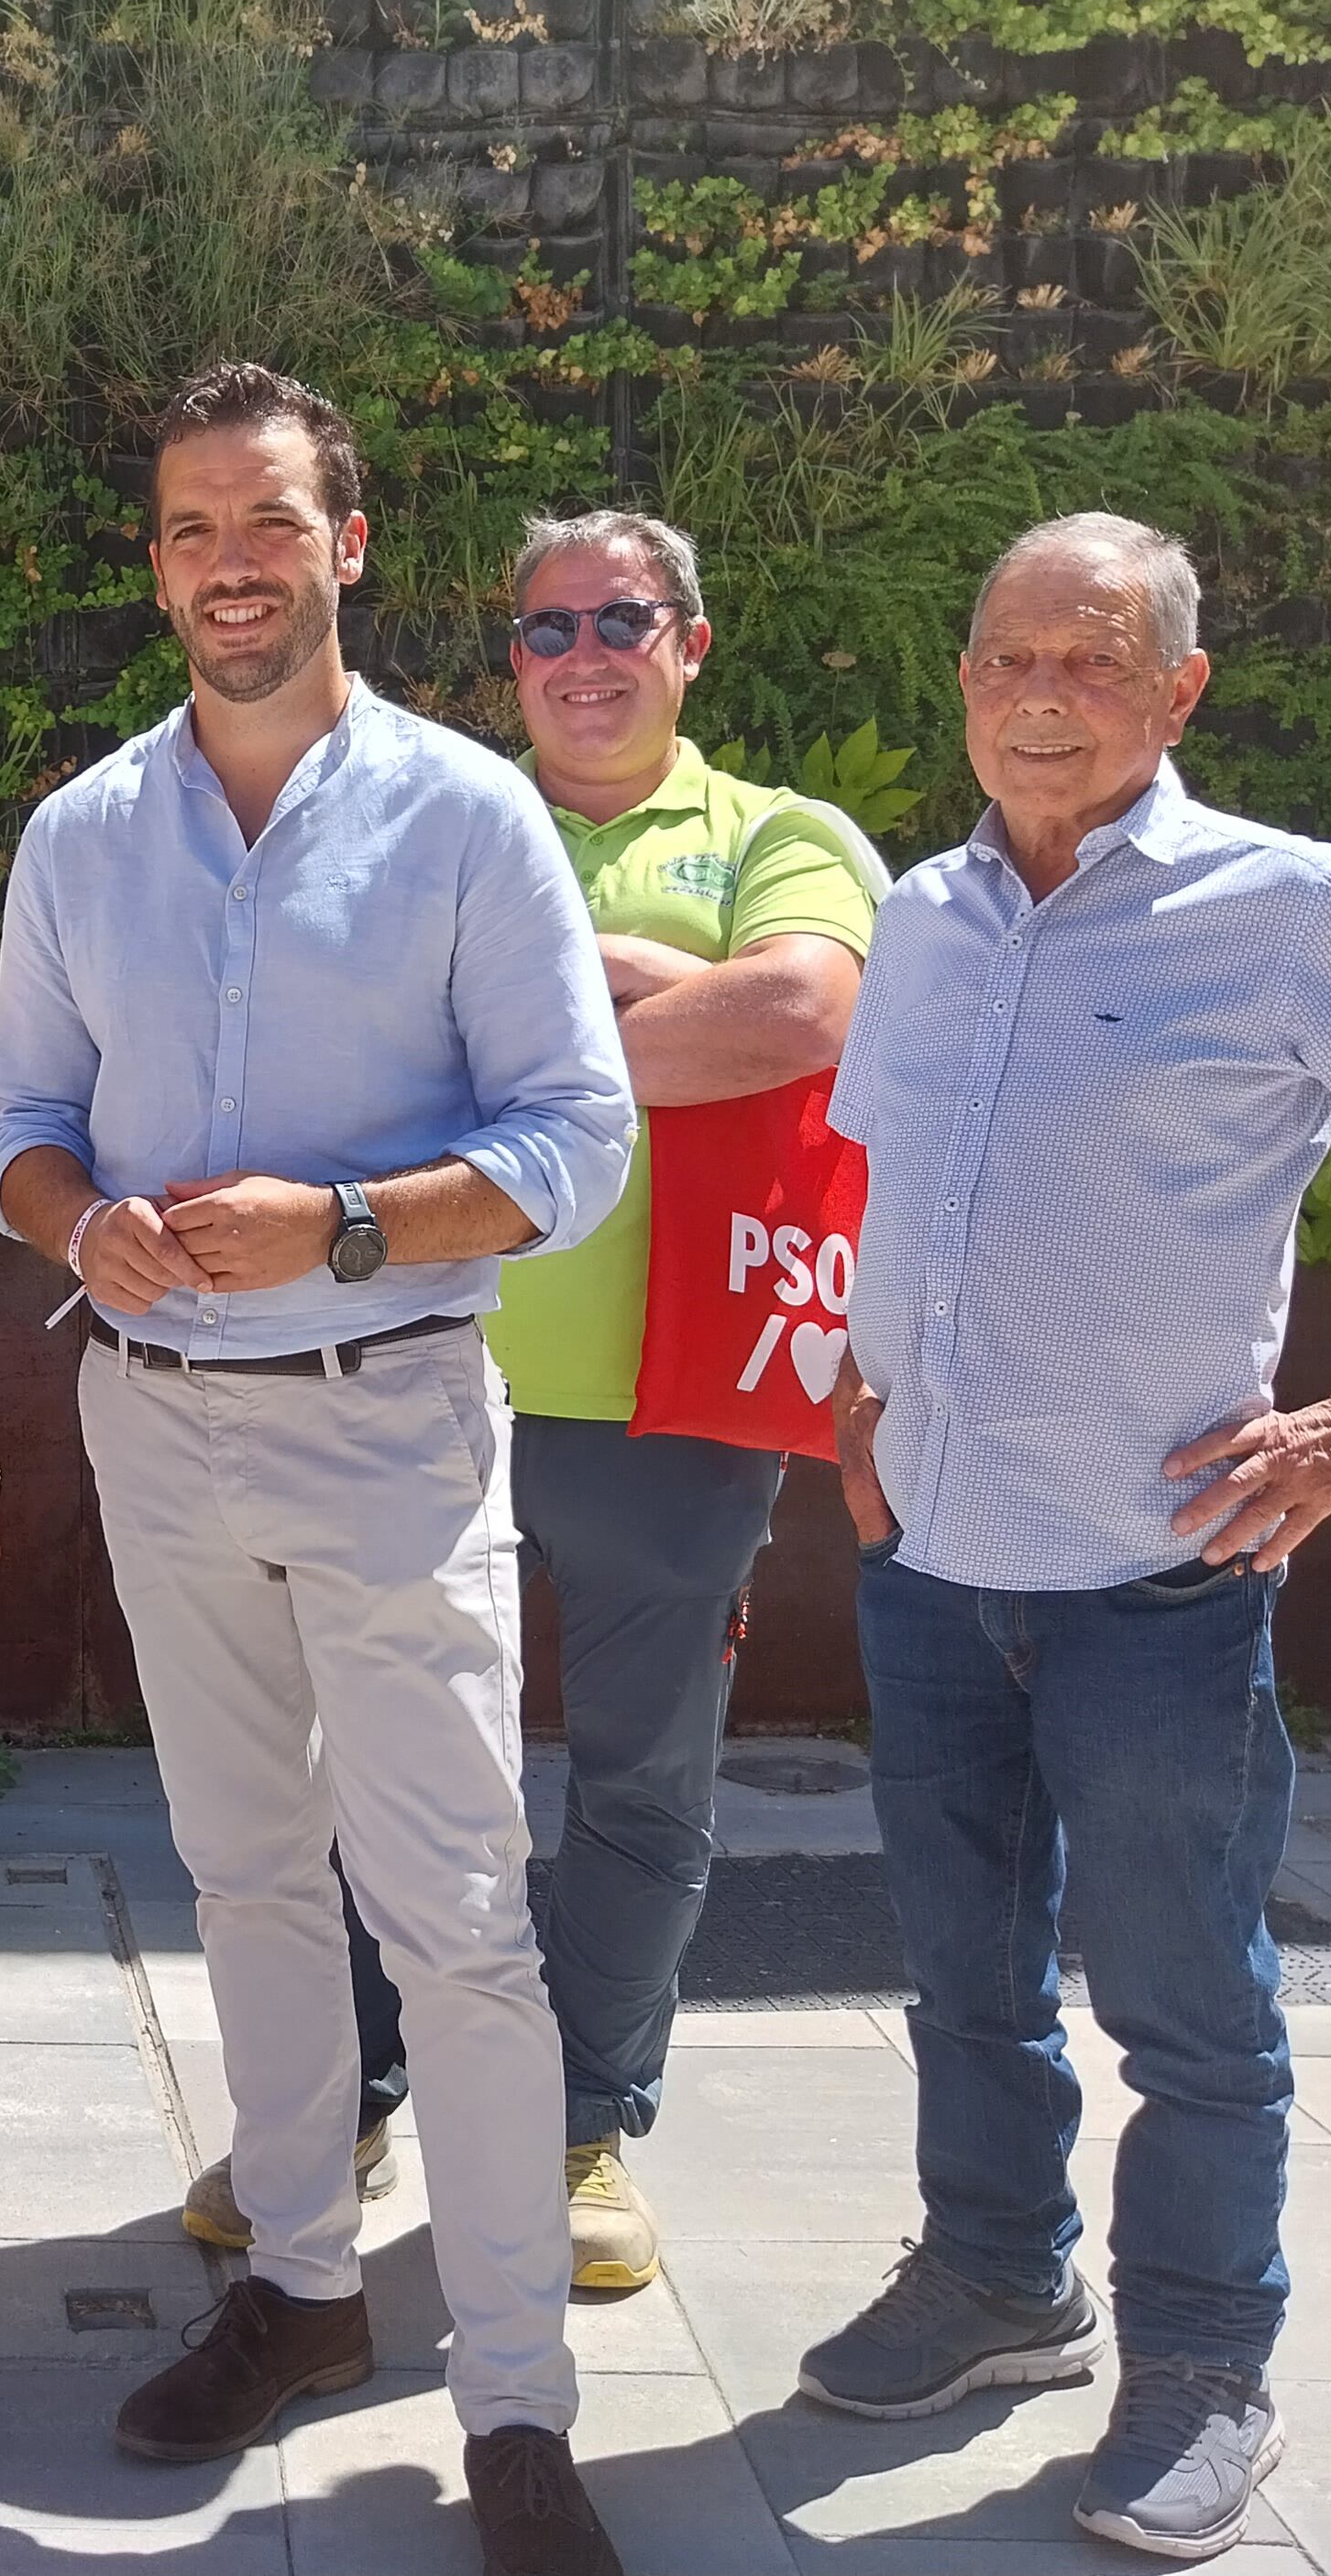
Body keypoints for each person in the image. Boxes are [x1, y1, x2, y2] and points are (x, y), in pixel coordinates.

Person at [809, 512, 1331, 2559]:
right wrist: (856, 1378)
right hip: (931, 1559)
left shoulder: (1284, 911)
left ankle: (1202, 2365)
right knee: (961, 1973)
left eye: (1090, 663)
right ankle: (1002, 2283)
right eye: (1007, 659)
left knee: (1188, 1997)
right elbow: (897, 1185)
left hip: (1161, 1578)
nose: (1038, 697)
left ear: (1179, 692)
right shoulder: (922, 913)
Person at [0, 362, 640, 2576]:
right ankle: (299, 2285)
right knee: (244, 1878)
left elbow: (579, 1142)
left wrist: (344, 1225)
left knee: (454, 1914)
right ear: (156, 561)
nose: (227, 561)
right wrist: (84, 1224)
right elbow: (13, 1132)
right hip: (157, 1419)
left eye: (266, 520)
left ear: (345, 543)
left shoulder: (465, 816)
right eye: (187, 527)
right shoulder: (82, 835)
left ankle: (521, 2404)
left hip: (393, 1419)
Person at [171, 511, 878, 2296]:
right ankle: (337, 2105)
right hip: (411, 1375)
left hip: (672, 1411)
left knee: (642, 1781)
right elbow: (347, 1034)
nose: (581, 653)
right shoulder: (431, 817)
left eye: (621, 619)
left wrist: (518, 1043)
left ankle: (580, 2125)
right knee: (371, 1777)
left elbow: (798, 1012)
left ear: (691, 643)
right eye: (544, 626)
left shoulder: (778, 838)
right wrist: (641, 1001)